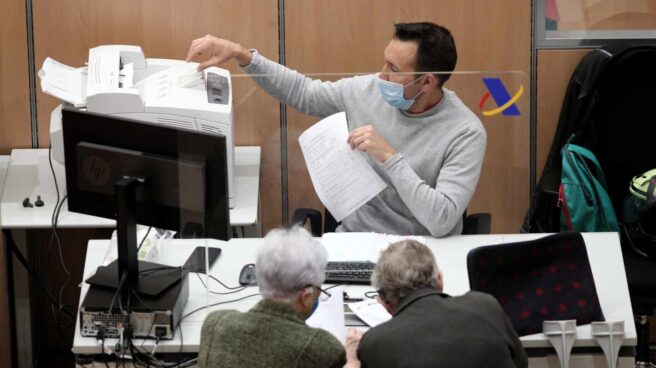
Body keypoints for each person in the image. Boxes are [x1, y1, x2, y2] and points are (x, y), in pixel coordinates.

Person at [187, 22, 486, 237]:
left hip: (422, 251)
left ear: (427, 82)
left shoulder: (465, 132)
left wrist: (390, 157)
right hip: (356, 241)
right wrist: (244, 56)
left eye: (394, 70)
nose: (381, 74)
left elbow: (442, 220)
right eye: (385, 62)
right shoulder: (369, 90)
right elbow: (303, 92)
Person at [198, 226, 360, 368]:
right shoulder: (322, 347)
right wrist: (352, 362)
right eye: (319, 289)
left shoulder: (215, 323)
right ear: (306, 296)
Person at [349, 240, 528, 368]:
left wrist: (352, 362)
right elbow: (522, 363)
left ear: (384, 302)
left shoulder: (375, 344)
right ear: (440, 279)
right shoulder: (486, 306)